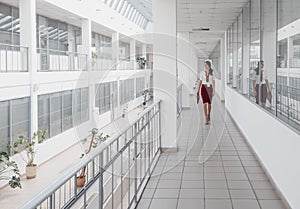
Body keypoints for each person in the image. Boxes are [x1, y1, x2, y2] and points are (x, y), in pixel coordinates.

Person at [196, 60, 215, 124]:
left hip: (210, 88)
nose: (204, 66)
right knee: (204, 103)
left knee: (209, 103)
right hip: (204, 88)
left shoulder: (212, 73)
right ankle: (206, 117)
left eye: (206, 65)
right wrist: (198, 91)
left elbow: (213, 81)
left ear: (209, 65)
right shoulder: (202, 73)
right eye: (204, 65)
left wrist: (214, 90)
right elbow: (200, 82)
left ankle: (209, 114)